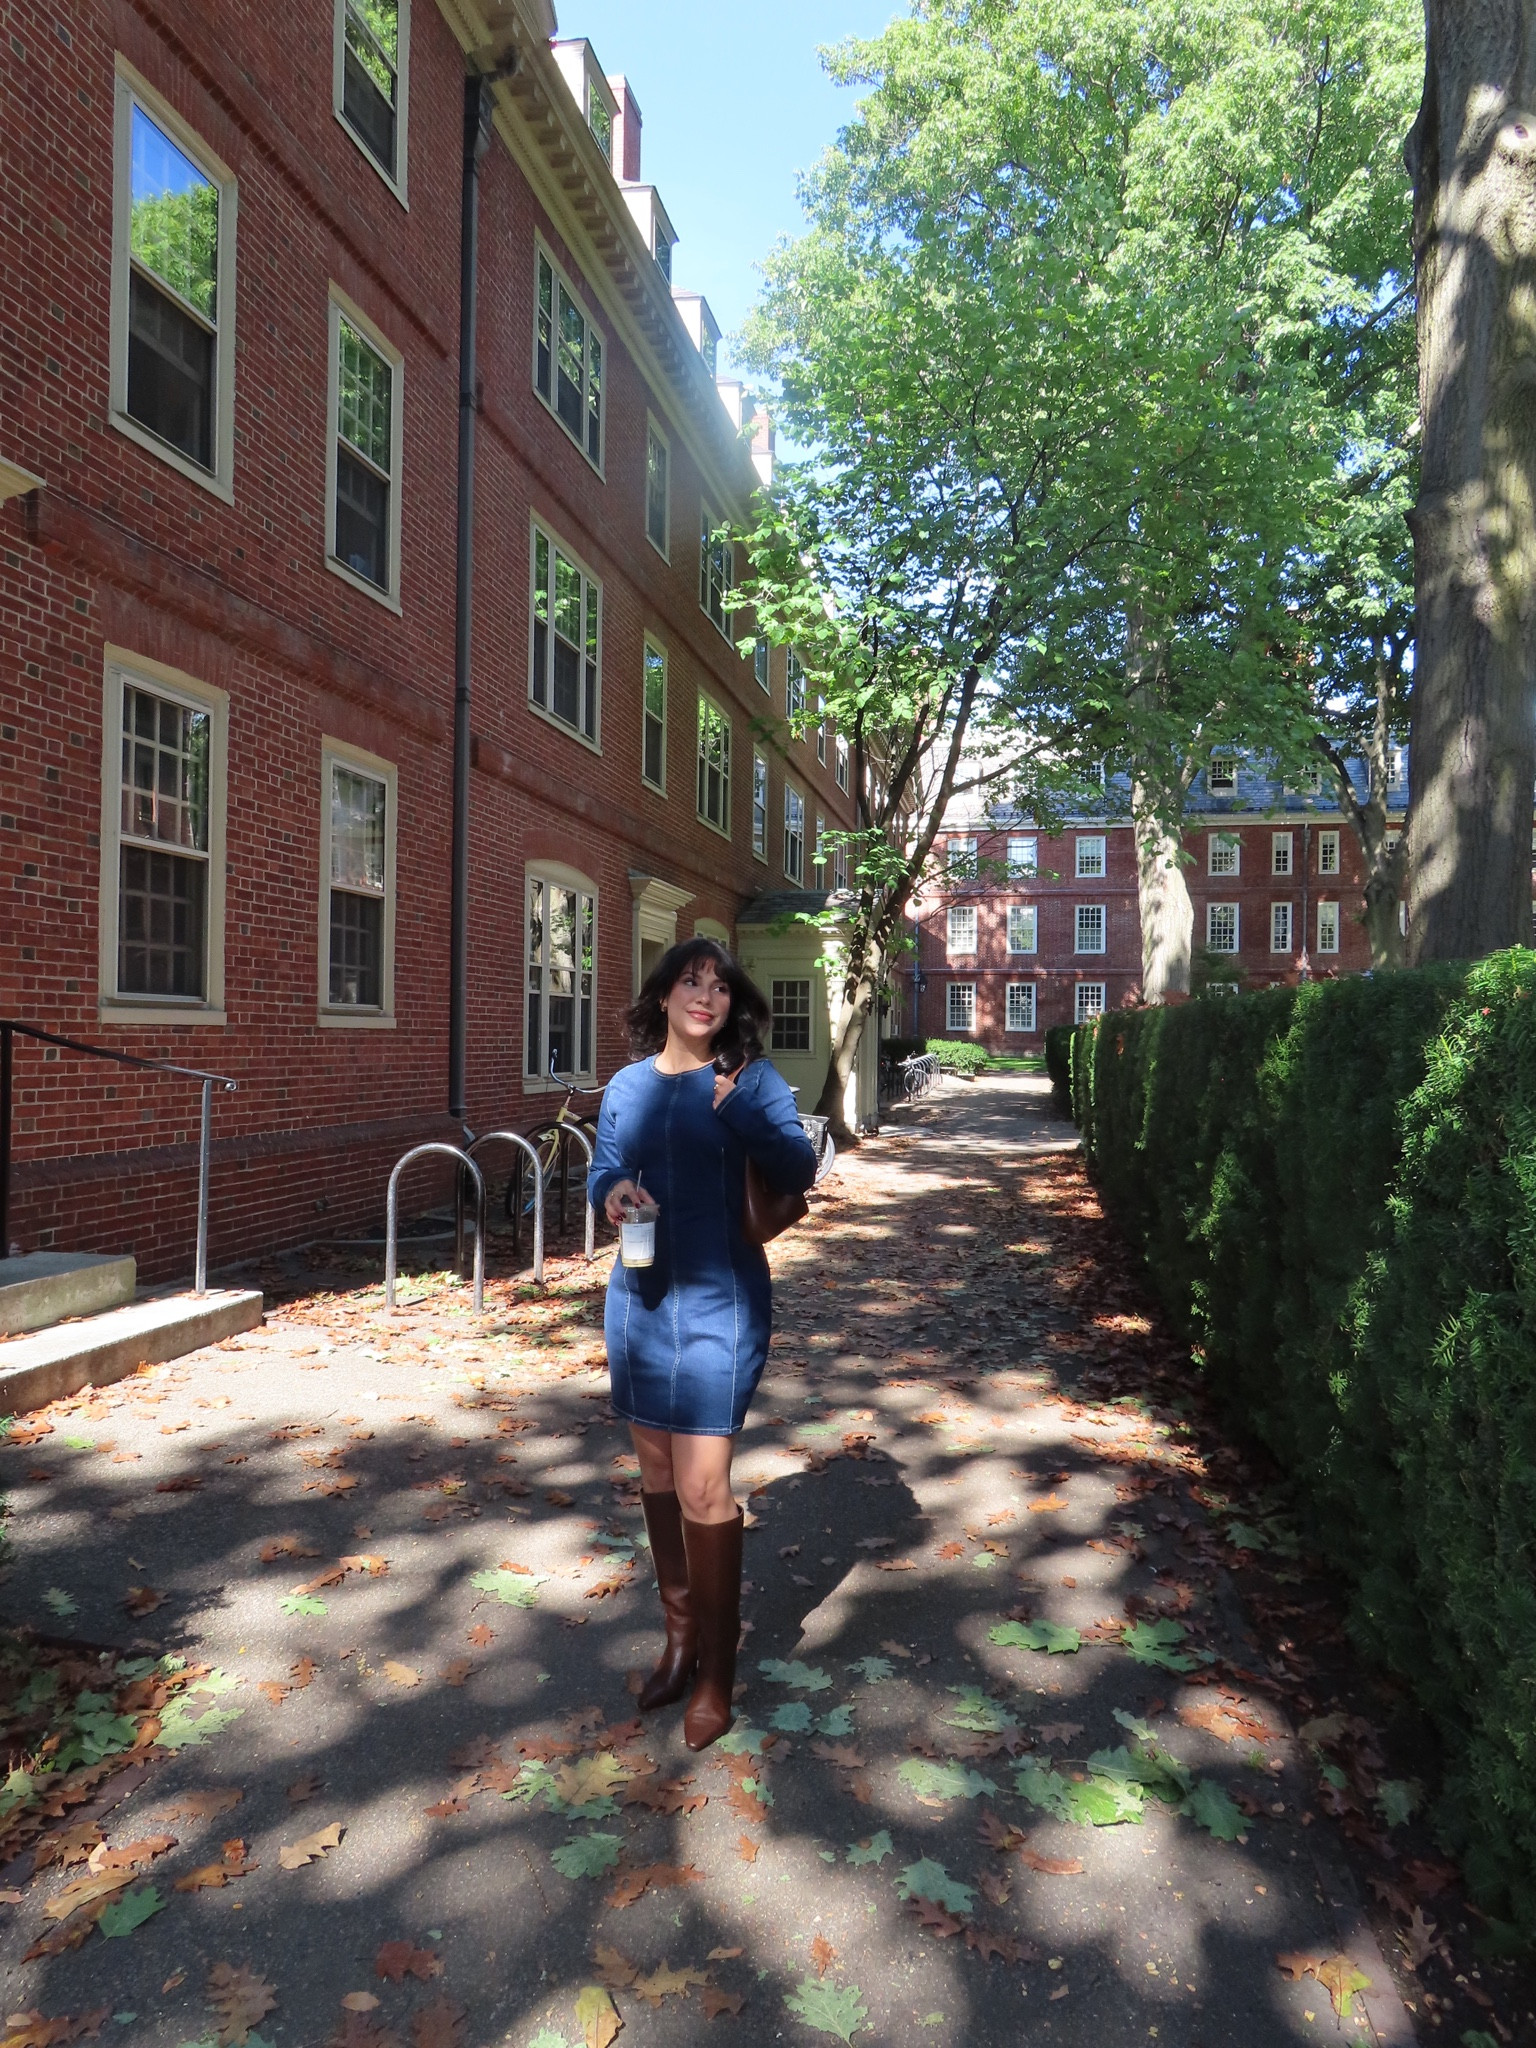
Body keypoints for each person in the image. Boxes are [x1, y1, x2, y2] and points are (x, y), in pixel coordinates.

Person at [587, 938, 817, 1749]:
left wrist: (743, 1112)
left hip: (722, 1303)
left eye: (720, 987)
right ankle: (679, 1637)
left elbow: (798, 1167)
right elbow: (605, 1164)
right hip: (640, 1301)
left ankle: (716, 1675)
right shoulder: (625, 1086)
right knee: (655, 1467)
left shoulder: (750, 1081)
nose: (706, 996)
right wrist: (610, 1189)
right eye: (691, 981)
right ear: (661, 997)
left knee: (703, 1487)